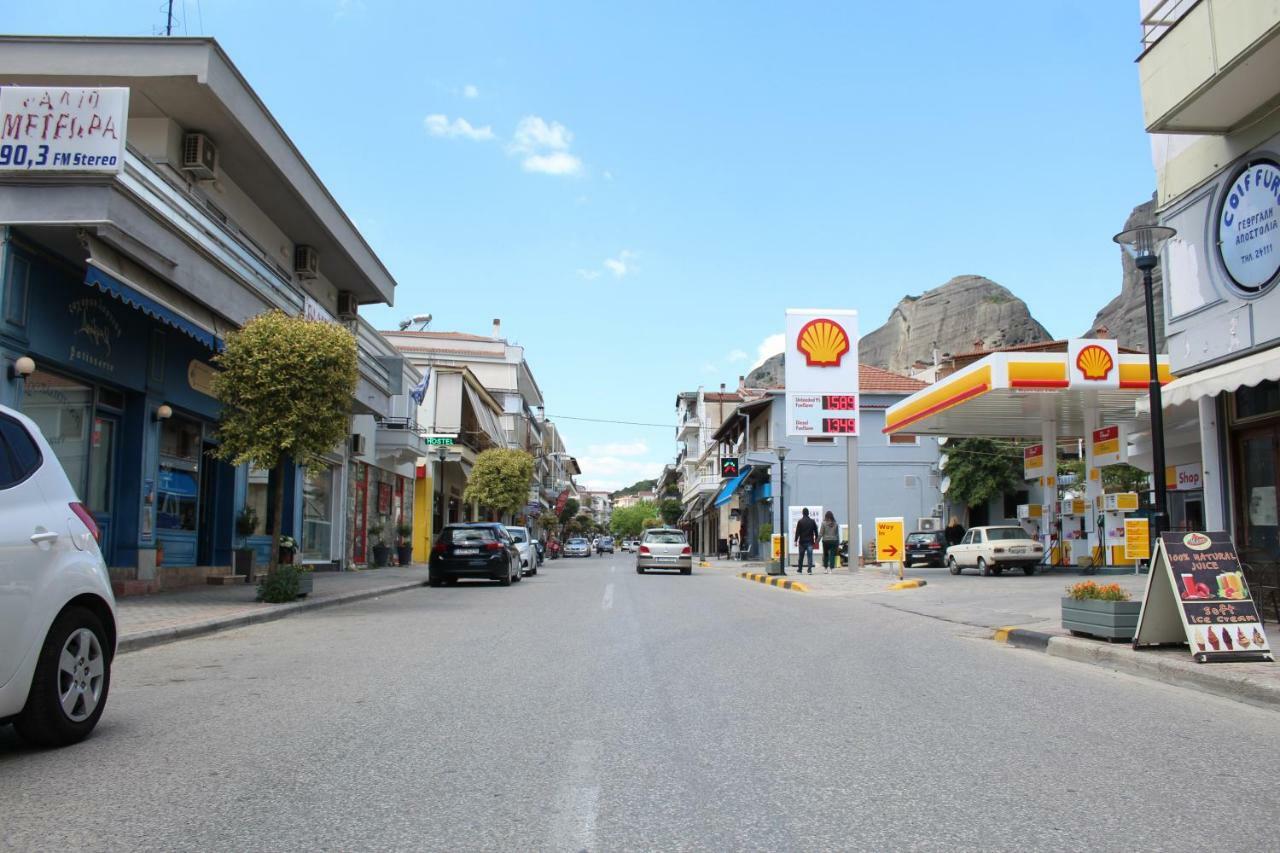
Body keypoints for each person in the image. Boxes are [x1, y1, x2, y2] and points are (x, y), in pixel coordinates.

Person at [794, 507, 818, 574]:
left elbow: (797, 532)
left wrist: (795, 541)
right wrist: (816, 539)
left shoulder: (800, 521)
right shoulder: (812, 521)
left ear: (802, 513)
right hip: (810, 542)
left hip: (802, 542)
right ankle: (809, 570)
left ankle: (800, 569)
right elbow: (816, 531)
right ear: (808, 513)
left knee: (801, 556)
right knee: (810, 556)